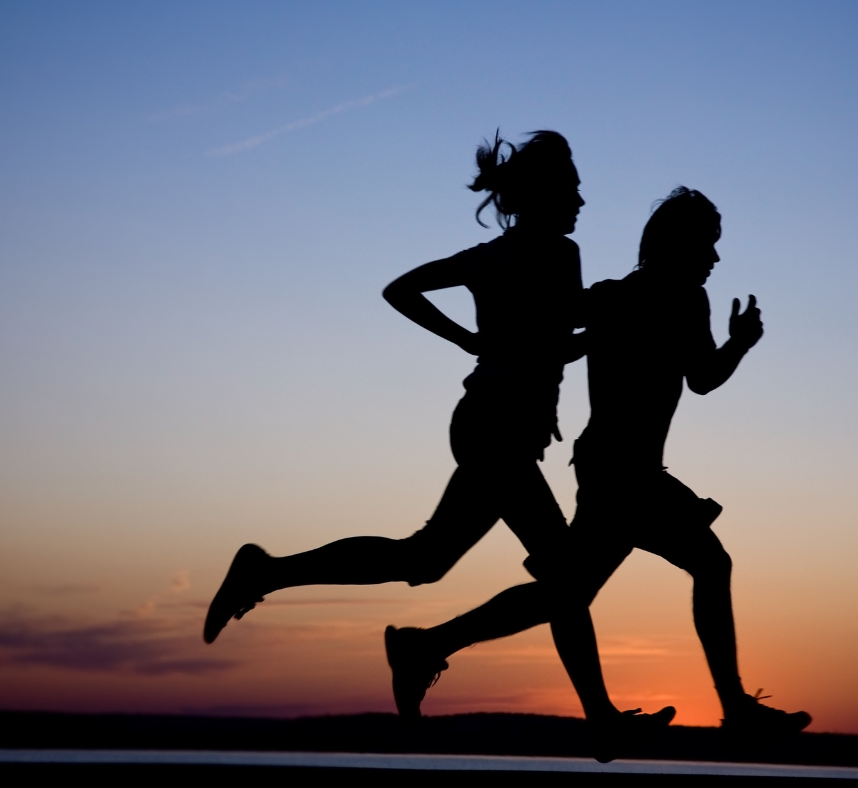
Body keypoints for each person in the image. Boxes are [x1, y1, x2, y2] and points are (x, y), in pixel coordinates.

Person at [203, 132, 674, 758]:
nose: (583, 199)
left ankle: (281, 576)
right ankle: (596, 720)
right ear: (546, 195)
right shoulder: (561, 253)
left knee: (424, 559)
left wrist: (468, 339)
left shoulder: (488, 257)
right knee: (563, 576)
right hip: (499, 429)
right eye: (574, 187)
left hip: (484, 422)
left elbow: (401, 289)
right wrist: (613, 316)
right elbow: (557, 338)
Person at [385, 187, 811, 744]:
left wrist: (736, 344)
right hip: (624, 475)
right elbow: (703, 377)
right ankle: (734, 707)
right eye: (708, 244)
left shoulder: (619, 297)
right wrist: (741, 345)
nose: (715, 258)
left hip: (611, 470)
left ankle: (426, 645)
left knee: (566, 594)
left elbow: (688, 373)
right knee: (708, 563)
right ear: (678, 245)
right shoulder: (670, 299)